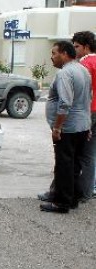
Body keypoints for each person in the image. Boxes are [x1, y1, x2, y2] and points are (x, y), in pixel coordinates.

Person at [38, 32, 96, 203]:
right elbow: (88, 98)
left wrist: (57, 128)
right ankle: (75, 196)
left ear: (64, 53)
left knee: (64, 163)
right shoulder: (83, 71)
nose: (51, 58)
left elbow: (65, 102)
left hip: (69, 126)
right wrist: (87, 126)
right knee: (78, 161)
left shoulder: (67, 72)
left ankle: (62, 200)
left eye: (54, 53)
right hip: (82, 124)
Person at [72, 31, 96, 198]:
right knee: (91, 153)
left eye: (77, 47)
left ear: (86, 47)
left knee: (79, 154)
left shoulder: (85, 63)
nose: (75, 50)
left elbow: (79, 91)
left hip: (88, 111)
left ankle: (79, 191)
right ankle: (89, 189)